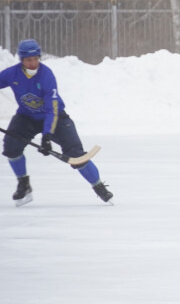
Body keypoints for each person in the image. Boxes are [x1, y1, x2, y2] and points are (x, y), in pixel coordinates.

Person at [1, 38, 112, 206]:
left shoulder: (46, 75)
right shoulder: (12, 74)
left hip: (55, 118)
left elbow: (51, 109)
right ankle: (24, 183)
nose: (33, 63)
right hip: (26, 117)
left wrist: (47, 135)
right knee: (11, 147)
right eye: (29, 60)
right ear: (22, 60)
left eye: (36, 59)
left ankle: (98, 186)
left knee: (76, 154)